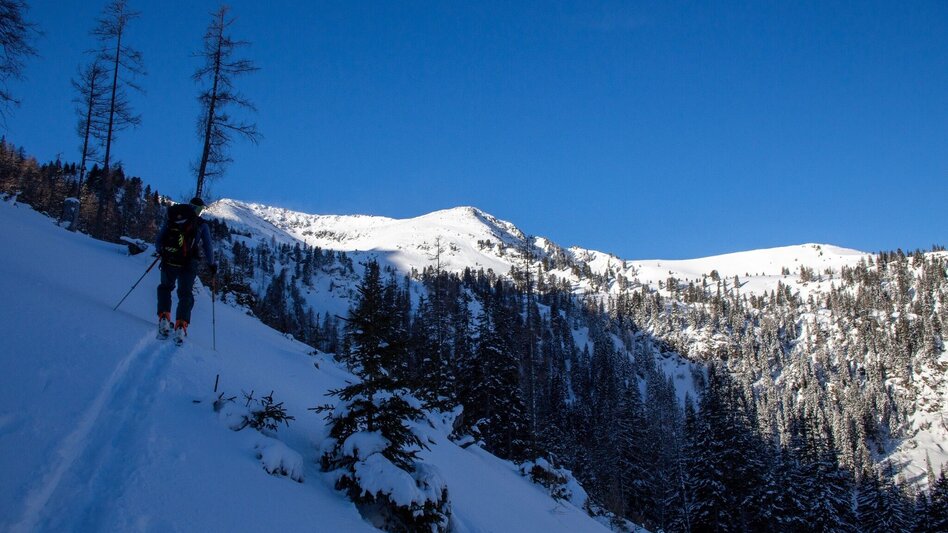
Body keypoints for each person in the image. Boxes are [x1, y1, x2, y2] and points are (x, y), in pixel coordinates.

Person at [155, 197, 217, 344]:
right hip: (189, 263)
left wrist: (163, 251)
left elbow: (159, 240)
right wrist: (212, 264)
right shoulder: (201, 224)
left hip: (169, 260)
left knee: (165, 287)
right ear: (199, 209)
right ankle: (181, 326)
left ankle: (164, 317)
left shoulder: (173, 218)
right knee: (185, 294)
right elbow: (208, 247)